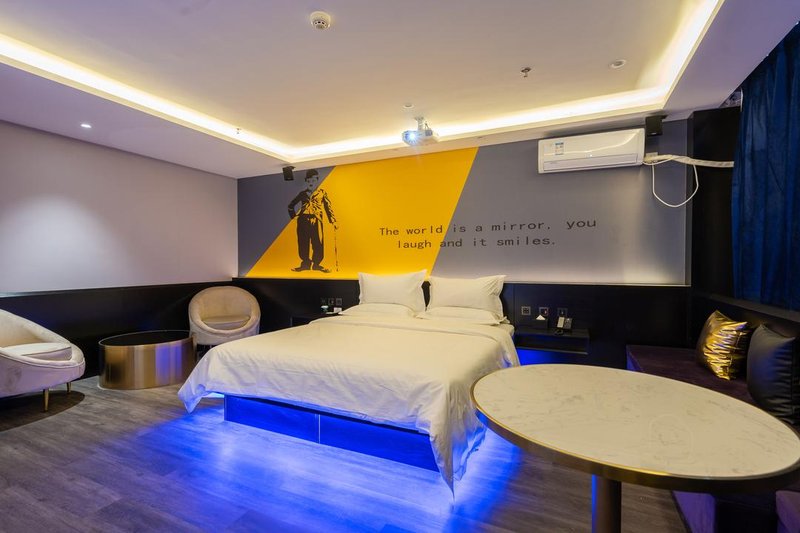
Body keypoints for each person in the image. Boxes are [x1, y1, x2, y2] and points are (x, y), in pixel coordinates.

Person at [287, 169, 337, 272]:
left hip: (316, 220)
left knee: (317, 242)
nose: (311, 183)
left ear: (317, 181)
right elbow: (290, 205)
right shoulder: (302, 194)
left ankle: (316, 265)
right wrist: (294, 216)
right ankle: (305, 264)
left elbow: (328, 207)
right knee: (303, 242)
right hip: (303, 221)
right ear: (306, 181)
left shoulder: (322, 193)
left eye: (313, 181)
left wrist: (333, 220)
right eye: (309, 181)